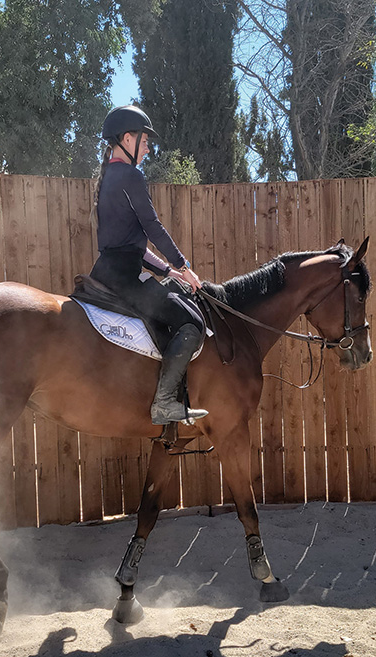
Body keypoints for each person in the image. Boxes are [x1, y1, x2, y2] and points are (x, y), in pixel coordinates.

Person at [91, 104, 209, 426]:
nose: (147, 148)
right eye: (144, 141)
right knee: (191, 323)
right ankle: (163, 402)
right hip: (124, 280)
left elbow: (131, 244)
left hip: (107, 271)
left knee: (171, 292)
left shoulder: (110, 178)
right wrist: (184, 265)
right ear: (127, 139)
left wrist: (169, 271)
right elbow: (152, 227)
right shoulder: (131, 176)